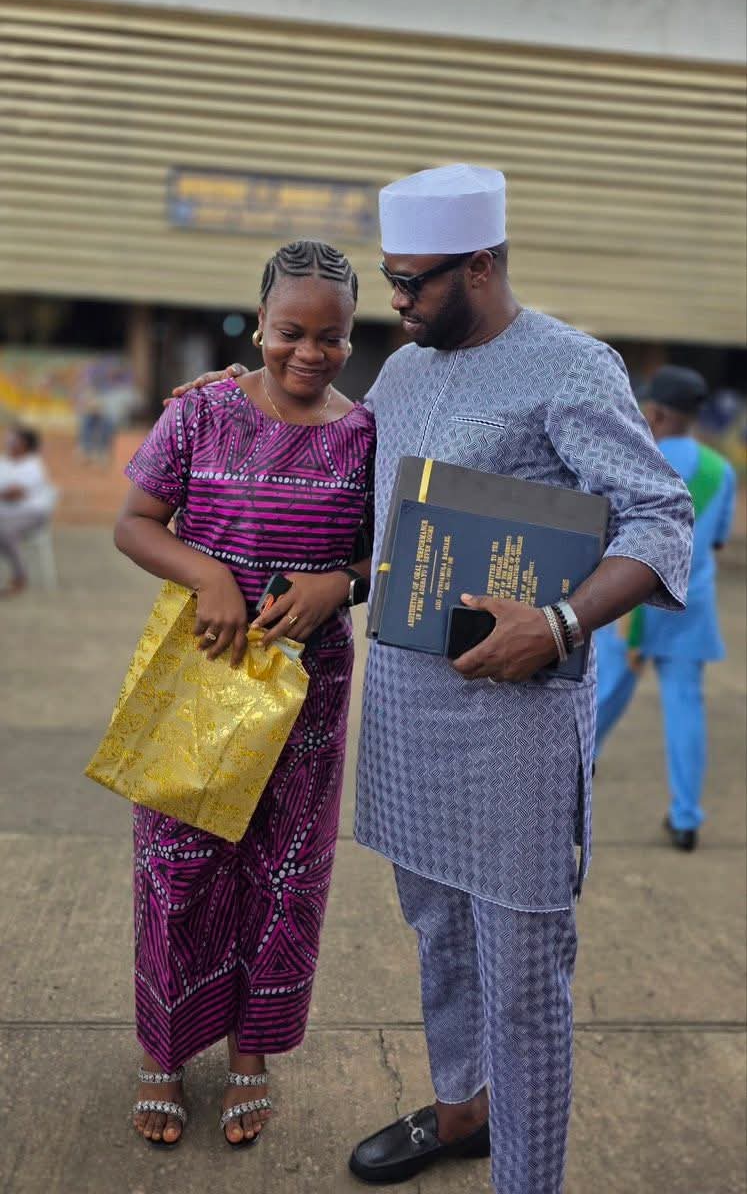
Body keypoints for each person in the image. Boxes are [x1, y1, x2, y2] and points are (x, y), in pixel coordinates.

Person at [175, 165, 693, 1194]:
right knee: (438, 935)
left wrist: (558, 620)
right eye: (392, 279)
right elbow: (361, 507)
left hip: (517, 729)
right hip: (412, 718)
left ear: (484, 265)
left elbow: (658, 520)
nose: (397, 303)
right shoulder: (404, 378)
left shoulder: (571, 367)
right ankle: (462, 1113)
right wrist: (234, 404)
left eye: (415, 283)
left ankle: (526, 1180)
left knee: (522, 978)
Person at [114, 240, 375, 1148]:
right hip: (206, 673)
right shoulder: (202, 414)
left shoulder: (366, 433)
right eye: (290, 332)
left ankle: (251, 1055)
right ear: (259, 321)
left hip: (308, 691)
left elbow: (386, 551)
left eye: (331, 337)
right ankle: (163, 1052)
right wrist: (208, 575)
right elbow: (135, 523)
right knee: (177, 870)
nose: (309, 353)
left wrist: (341, 581)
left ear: (352, 336)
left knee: (284, 874)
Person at [595, 365, 737, 852]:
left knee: (604, 695)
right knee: (685, 706)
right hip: (690, 605)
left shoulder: (635, 459)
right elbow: (714, 542)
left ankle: (571, 777)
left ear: (653, 411)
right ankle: (686, 818)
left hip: (629, 602)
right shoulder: (722, 471)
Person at [0, 424, 57, 595]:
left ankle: (20, 576)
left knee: (5, 531)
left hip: (32, 513)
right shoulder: (4, 462)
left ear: (24, 443)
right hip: (5, 513)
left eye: (13, 438)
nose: (8, 441)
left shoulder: (34, 465)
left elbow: (14, 494)